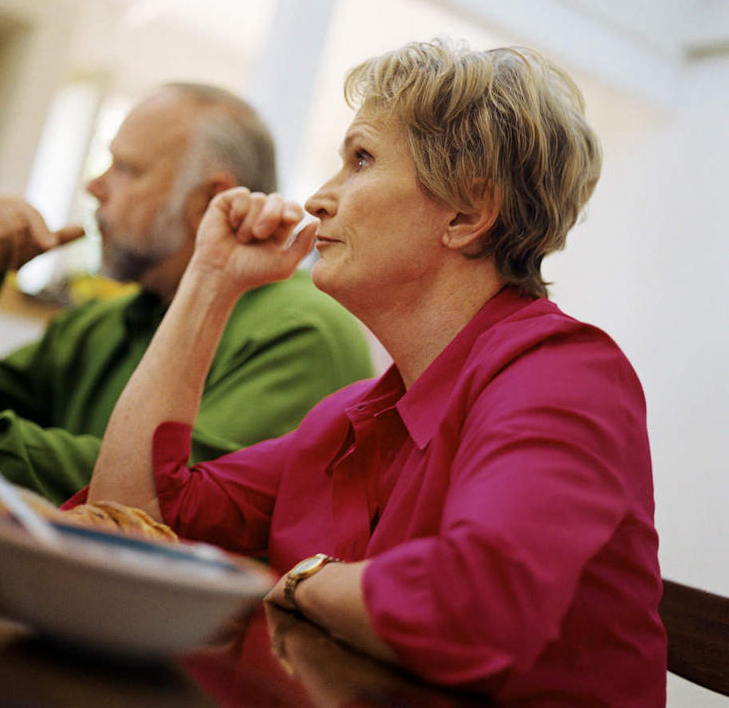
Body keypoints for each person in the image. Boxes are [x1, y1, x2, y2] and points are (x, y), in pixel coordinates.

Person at [76, 41, 666, 705]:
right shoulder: (350, 415)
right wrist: (209, 281)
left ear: (467, 213)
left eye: (359, 159)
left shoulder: (564, 375)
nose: (318, 199)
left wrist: (300, 580)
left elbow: (471, 606)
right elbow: (126, 521)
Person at [0, 83, 373, 504]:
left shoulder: (302, 330)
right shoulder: (106, 320)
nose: (94, 186)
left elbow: (156, 499)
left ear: (209, 200)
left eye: (126, 168)